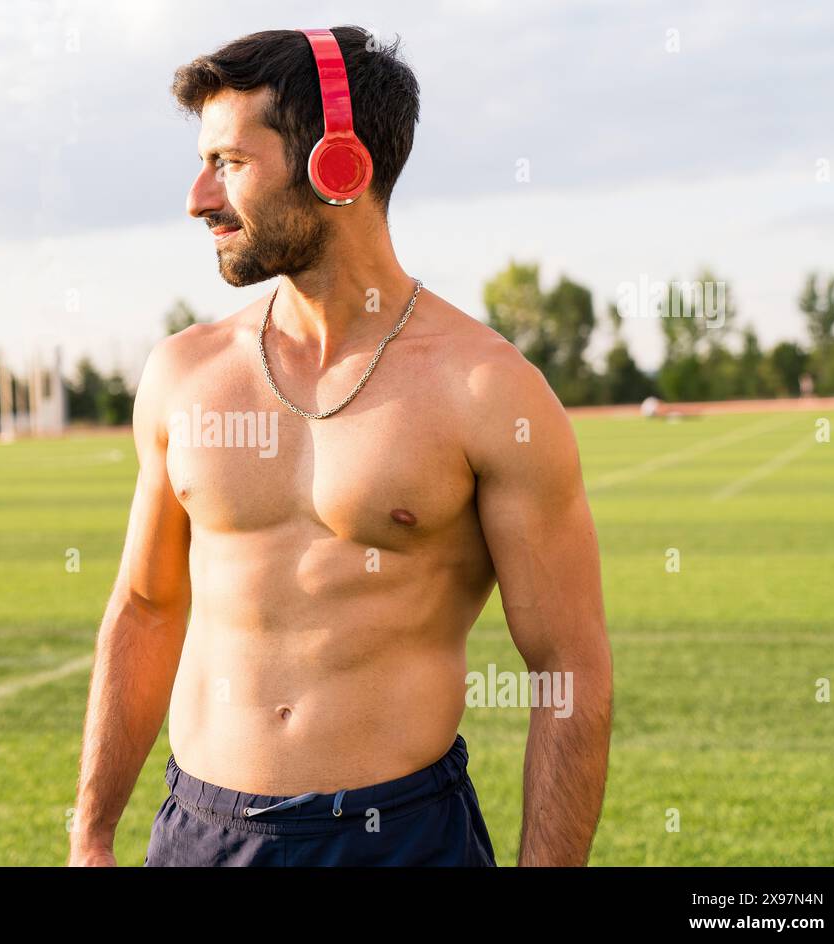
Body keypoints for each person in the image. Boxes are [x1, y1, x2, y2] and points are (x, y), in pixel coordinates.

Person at [68, 25, 612, 867]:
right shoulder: (183, 374)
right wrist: (91, 832)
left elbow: (567, 670)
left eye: (229, 164)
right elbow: (145, 607)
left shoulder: (488, 391)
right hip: (202, 836)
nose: (198, 198)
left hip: (399, 840)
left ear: (337, 166)